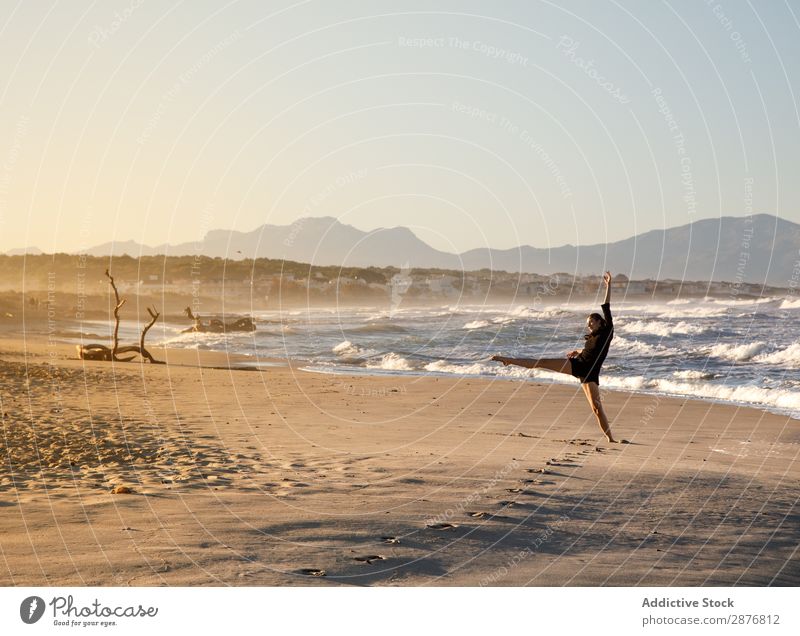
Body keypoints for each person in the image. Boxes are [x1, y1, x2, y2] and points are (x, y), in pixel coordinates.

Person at [492, 271, 625, 443]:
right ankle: (509, 360)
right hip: (578, 364)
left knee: (596, 408)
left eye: (592, 322)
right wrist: (577, 352)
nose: (589, 325)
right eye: (587, 324)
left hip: (590, 373)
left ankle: (611, 438)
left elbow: (606, 306)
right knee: (541, 362)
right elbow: (591, 351)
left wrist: (608, 286)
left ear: (600, 322)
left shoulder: (608, 332)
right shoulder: (591, 338)